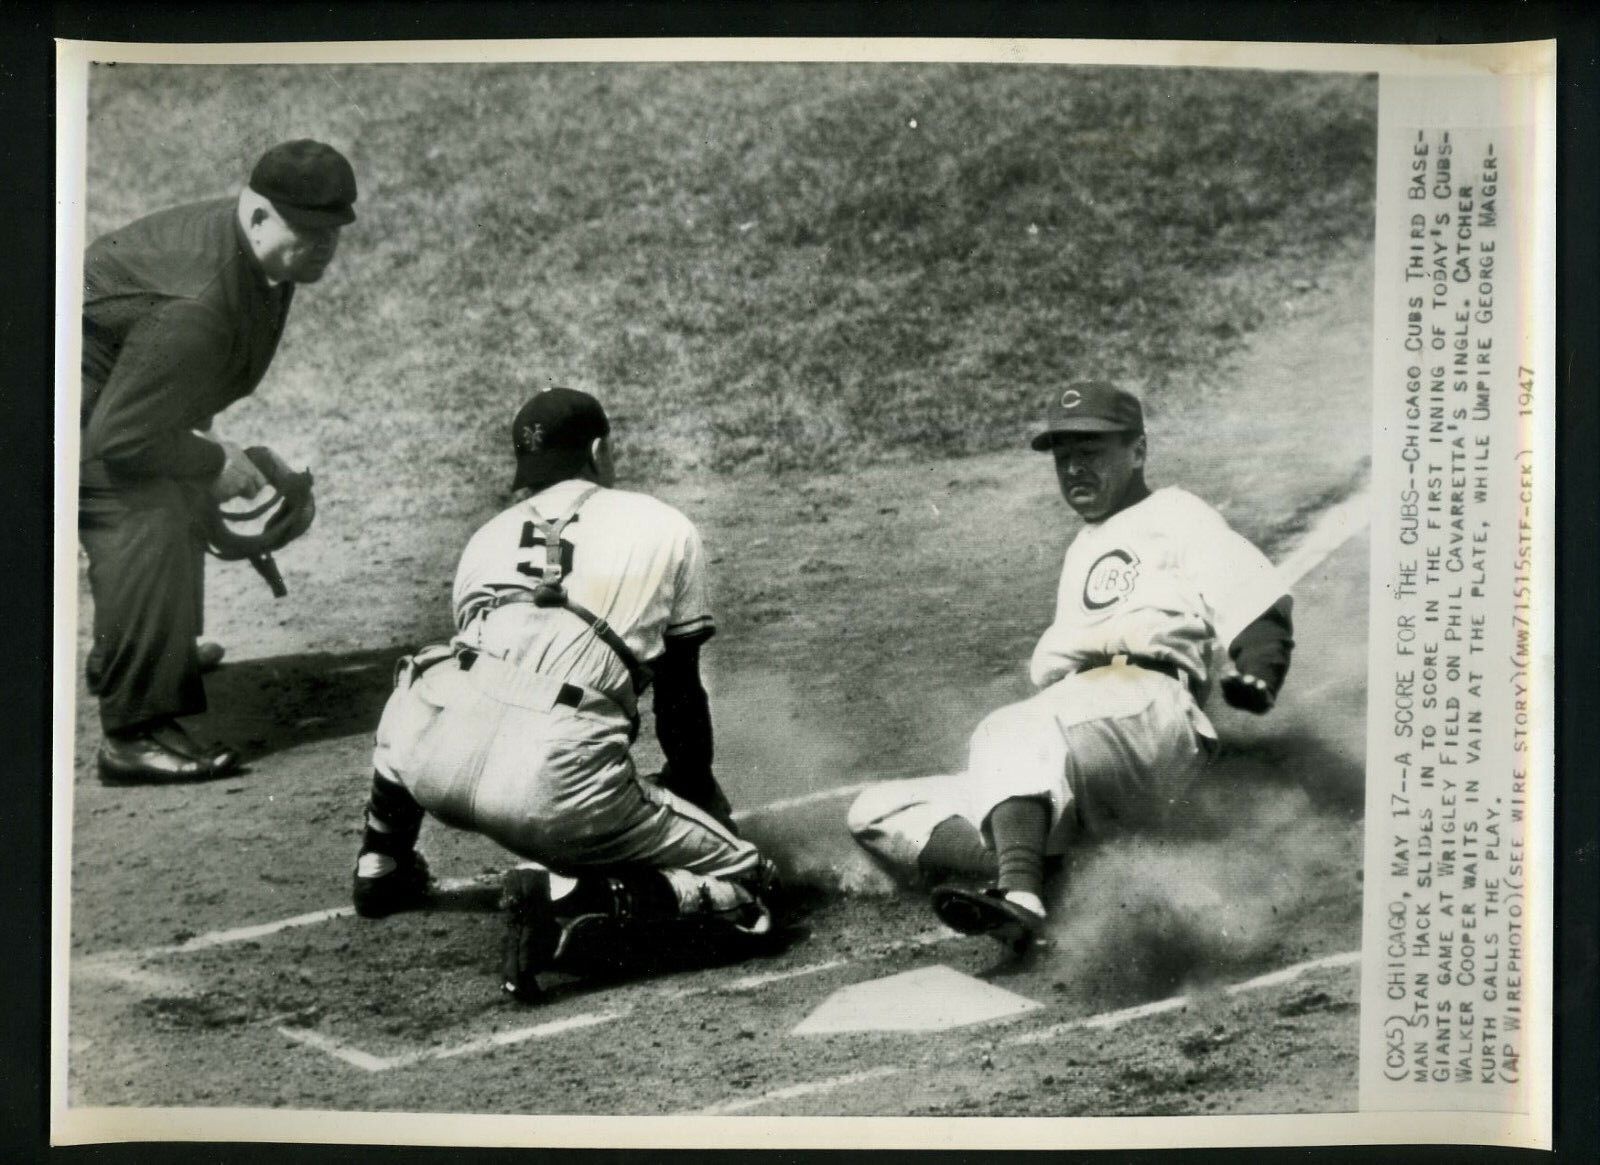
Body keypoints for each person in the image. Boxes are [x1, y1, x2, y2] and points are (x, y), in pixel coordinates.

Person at [352, 387, 780, 1002]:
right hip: (559, 794)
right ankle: (577, 902)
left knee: (431, 678)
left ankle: (382, 863)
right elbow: (680, 692)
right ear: (600, 451)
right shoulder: (664, 525)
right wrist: (694, 784)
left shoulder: (483, 540)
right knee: (753, 886)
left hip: (434, 767)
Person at [847, 381, 1294, 954]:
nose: (1074, 470)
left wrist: (1258, 671)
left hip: (1151, 719)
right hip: (1086, 738)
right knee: (877, 812)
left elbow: (1256, 600)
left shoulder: (1176, 513)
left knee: (1010, 728)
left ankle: (1021, 896)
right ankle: (1065, 876)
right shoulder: (1084, 544)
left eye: (1091, 452)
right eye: (1064, 458)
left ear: (1137, 451)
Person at [79, 139, 356, 784]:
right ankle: (135, 733)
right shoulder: (198, 301)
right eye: (307, 231)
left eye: (332, 232)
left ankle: (151, 655)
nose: (322, 247)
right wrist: (209, 460)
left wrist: (199, 457)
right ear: (258, 215)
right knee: (145, 505)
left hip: (95, 401)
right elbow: (120, 441)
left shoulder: (253, 254)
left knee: (174, 475)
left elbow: (164, 386)